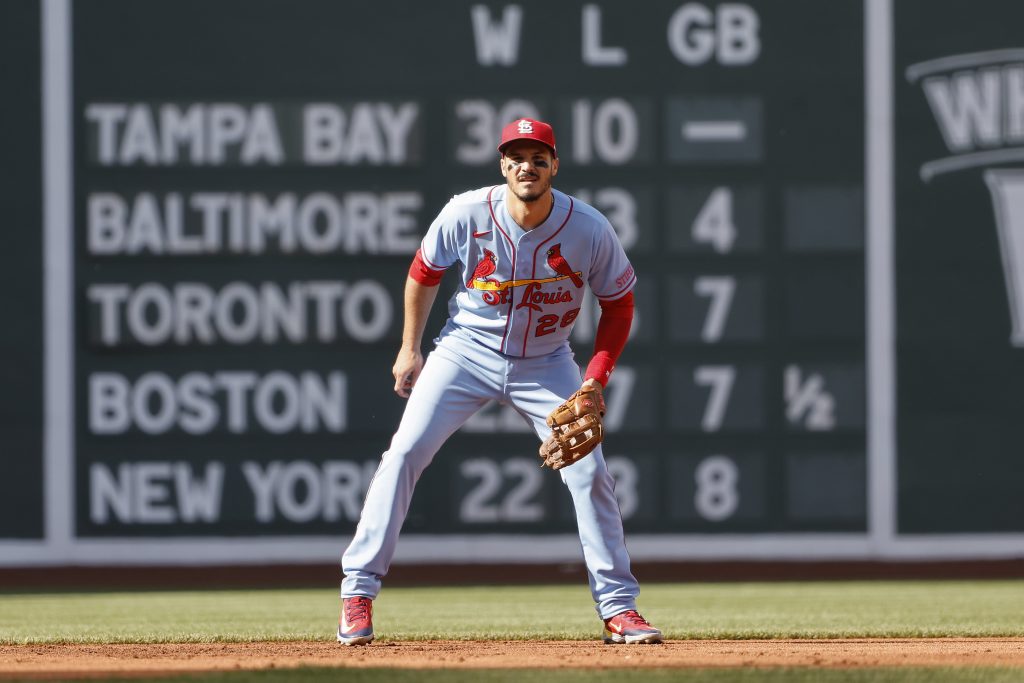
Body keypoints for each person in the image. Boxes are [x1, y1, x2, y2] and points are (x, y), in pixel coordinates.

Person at [337, 118, 661, 646]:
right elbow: (423, 273)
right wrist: (409, 348)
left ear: (554, 166)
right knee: (404, 453)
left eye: (538, 157)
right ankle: (357, 592)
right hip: (465, 351)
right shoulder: (466, 212)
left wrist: (595, 379)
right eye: (517, 157)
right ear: (502, 164)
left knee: (589, 472)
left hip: (546, 361)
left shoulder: (589, 228)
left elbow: (619, 305)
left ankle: (619, 608)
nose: (527, 166)